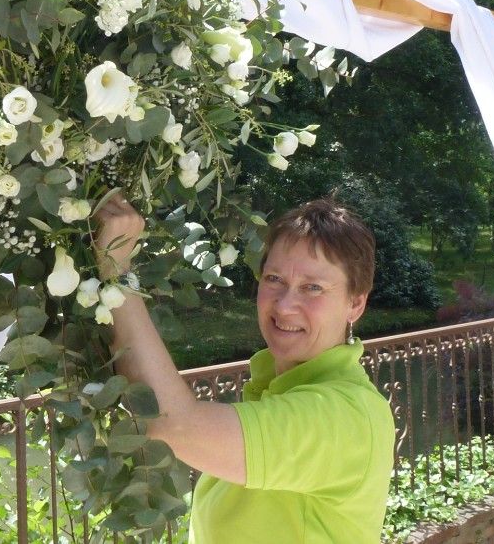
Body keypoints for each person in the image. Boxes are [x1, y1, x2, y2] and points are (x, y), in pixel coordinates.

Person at [95, 194, 395, 543]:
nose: (285, 305)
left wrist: (115, 270)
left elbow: (174, 425)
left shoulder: (348, 415)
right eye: (274, 280)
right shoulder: (274, 390)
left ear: (355, 303)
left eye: (312, 287)